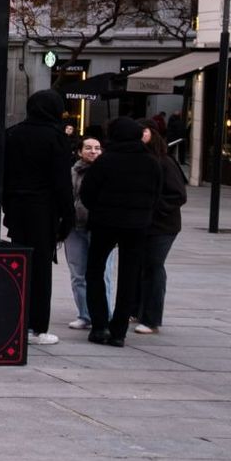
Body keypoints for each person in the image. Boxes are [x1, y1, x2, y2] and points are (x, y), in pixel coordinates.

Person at [79, 117, 162, 348]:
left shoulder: (106, 161)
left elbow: (87, 192)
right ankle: (118, 331)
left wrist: (99, 210)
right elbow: (157, 194)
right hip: (137, 225)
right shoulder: (151, 162)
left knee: (94, 271)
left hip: (105, 223)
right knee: (129, 275)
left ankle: (99, 326)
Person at [1, 90, 75, 346]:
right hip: (43, 210)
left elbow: (3, 174)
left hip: (16, 208)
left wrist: (7, 204)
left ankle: (17, 321)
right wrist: (68, 215)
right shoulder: (55, 137)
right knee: (41, 268)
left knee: (20, 263)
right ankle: (38, 326)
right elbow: (62, 182)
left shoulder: (13, 133)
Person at [134, 125, 187, 334]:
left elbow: (178, 195)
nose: (140, 135)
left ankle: (151, 318)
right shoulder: (138, 160)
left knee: (153, 266)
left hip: (162, 225)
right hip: (142, 223)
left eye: (144, 131)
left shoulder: (164, 161)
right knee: (140, 266)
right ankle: (136, 309)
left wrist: (151, 208)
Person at [64, 136, 114, 332]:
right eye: (88, 148)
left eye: (97, 148)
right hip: (74, 228)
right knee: (78, 273)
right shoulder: (71, 172)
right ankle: (85, 315)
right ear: (79, 151)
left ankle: (104, 315)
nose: (93, 151)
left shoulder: (108, 171)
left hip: (100, 228)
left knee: (104, 273)